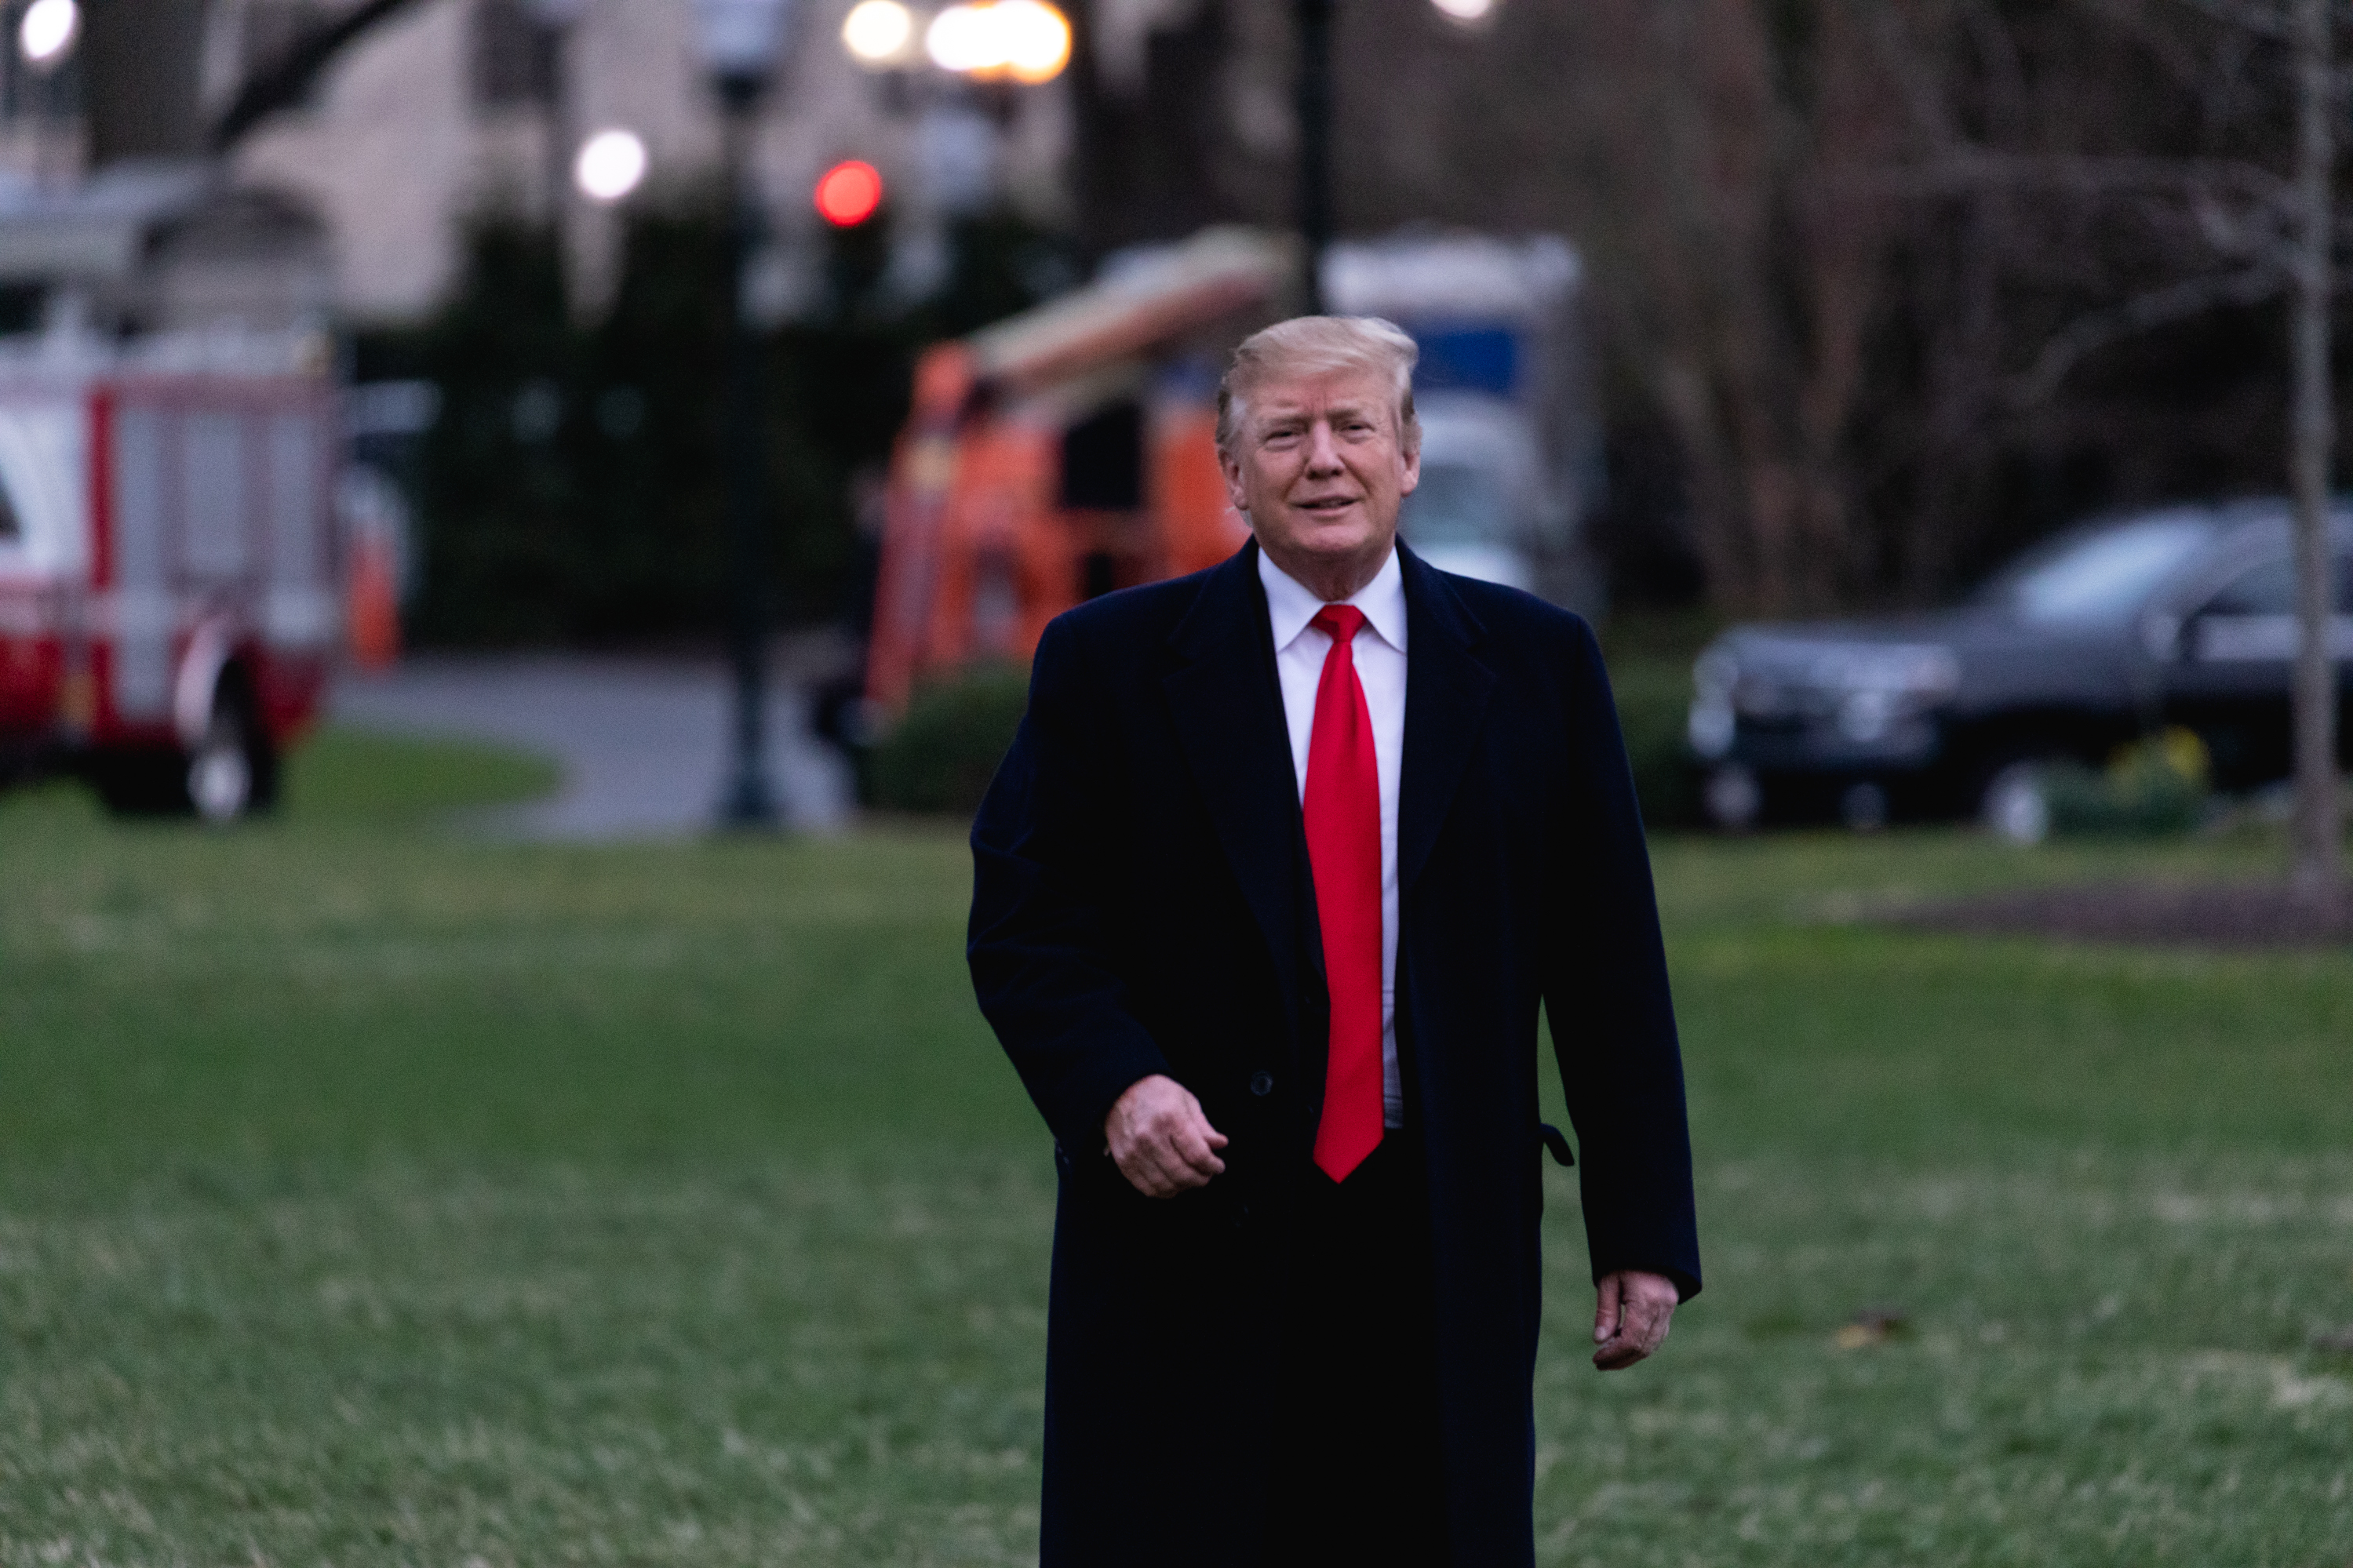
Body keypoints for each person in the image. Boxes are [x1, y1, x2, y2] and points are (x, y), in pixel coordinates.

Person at [967, 315, 1700, 1568]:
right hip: (1188, 1224)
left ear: (1408, 454)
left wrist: (1641, 1229)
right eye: (1286, 433)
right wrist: (1117, 1085)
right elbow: (1030, 917)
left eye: (1354, 426)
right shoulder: (1110, 666)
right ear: (1231, 468)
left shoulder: (1536, 667)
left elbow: (1607, 962)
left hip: (1440, 1221)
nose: (1324, 460)